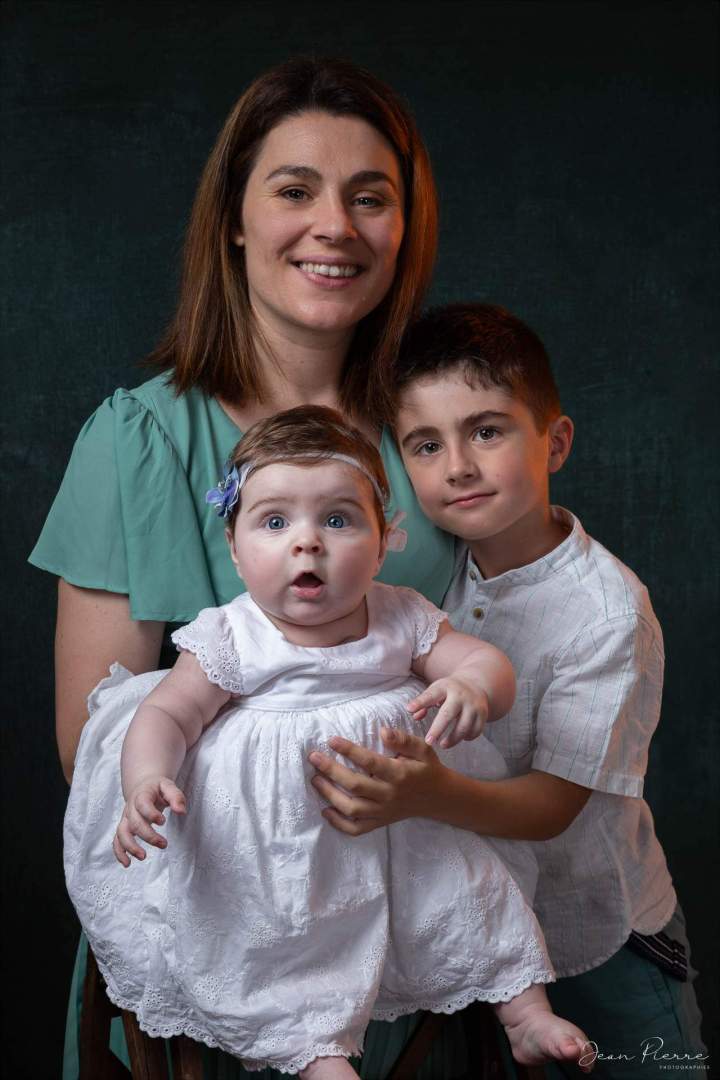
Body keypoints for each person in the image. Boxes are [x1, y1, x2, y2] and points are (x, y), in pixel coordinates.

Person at [29, 57, 458, 1079]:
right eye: (295, 189)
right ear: (234, 218)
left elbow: (508, 666)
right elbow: (94, 752)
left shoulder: (440, 438)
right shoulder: (134, 441)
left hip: (409, 945)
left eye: (371, 197)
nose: (336, 227)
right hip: (203, 946)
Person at [65, 405, 594, 1078]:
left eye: (337, 520)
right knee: (291, 939)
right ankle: (315, 1052)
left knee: (468, 889)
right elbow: (168, 714)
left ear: (381, 542)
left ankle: (524, 1012)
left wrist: (475, 689)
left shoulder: (400, 613)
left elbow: (482, 660)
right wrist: (145, 780)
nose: (306, 543)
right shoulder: (232, 635)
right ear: (234, 546)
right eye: (275, 521)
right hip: (281, 842)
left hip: (404, 828)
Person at [309, 303, 707, 1076]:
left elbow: (554, 807)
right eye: (426, 445)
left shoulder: (606, 611)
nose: (457, 465)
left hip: (600, 936)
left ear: (553, 441)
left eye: (486, 431)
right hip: (486, 939)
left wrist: (421, 794)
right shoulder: (424, 577)